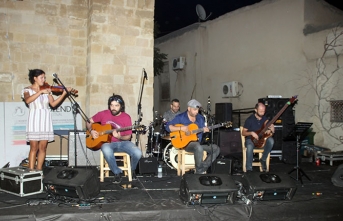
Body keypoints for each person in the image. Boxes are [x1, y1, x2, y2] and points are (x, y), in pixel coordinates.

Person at [22, 69, 73, 170]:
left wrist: (63, 94)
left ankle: (39, 170)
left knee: (43, 148)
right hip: (34, 120)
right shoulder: (27, 90)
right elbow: (28, 100)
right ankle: (31, 172)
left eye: (44, 77)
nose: (44, 79)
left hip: (45, 120)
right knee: (34, 148)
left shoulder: (46, 90)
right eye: (41, 77)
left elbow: (53, 104)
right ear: (35, 78)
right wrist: (40, 92)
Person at [86, 94, 142, 184]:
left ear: (121, 106)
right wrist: (91, 130)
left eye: (116, 105)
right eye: (111, 105)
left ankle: (131, 170)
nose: (113, 108)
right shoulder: (103, 114)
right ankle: (117, 172)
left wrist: (119, 137)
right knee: (106, 149)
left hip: (123, 143)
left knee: (138, 153)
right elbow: (89, 121)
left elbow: (128, 137)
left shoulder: (126, 117)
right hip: (108, 143)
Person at [166, 99, 220, 174]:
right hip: (186, 144)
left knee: (216, 148)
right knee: (198, 147)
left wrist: (205, 130)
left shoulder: (200, 118)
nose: (196, 112)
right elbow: (168, 127)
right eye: (194, 110)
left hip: (199, 142)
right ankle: (199, 171)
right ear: (189, 108)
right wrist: (181, 128)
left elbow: (202, 130)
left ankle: (201, 168)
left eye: (197, 110)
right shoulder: (181, 117)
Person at [242, 102, 275, 172]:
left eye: (264, 111)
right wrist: (251, 133)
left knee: (271, 141)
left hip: (262, 140)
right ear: (256, 110)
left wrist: (272, 129)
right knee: (250, 146)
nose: (263, 113)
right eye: (260, 111)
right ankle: (249, 168)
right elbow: (243, 132)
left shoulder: (266, 119)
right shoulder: (249, 119)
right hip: (251, 139)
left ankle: (263, 160)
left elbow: (271, 132)